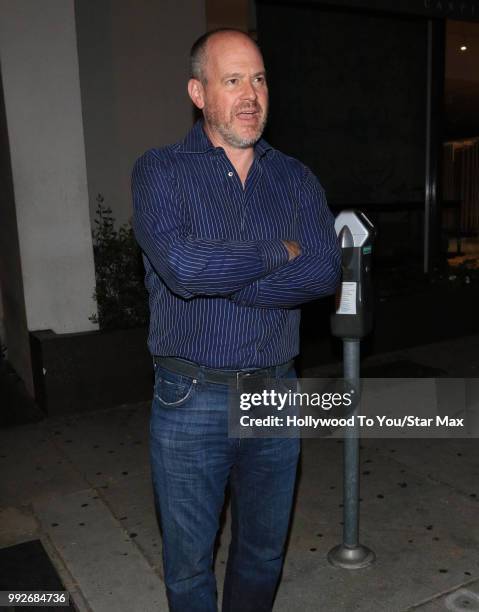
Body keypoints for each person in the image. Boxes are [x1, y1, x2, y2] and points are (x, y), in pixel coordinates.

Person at [132, 28, 341, 612]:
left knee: (263, 554)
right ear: (198, 92)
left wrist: (233, 281)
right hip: (189, 394)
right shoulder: (161, 173)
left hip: (275, 390)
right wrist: (280, 250)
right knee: (189, 565)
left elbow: (323, 273)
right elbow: (185, 267)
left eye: (259, 78)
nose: (251, 93)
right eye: (233, 80)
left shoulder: (296, 178)